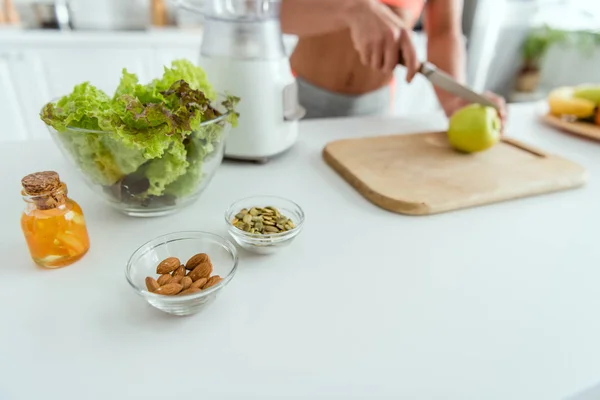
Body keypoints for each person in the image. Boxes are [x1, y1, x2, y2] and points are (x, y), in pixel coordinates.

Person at [280, 0, 507, 124]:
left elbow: (443, 32)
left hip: (373, 110)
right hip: (298, 96)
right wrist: (351, 8)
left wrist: (455, 100)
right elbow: (266, 11)